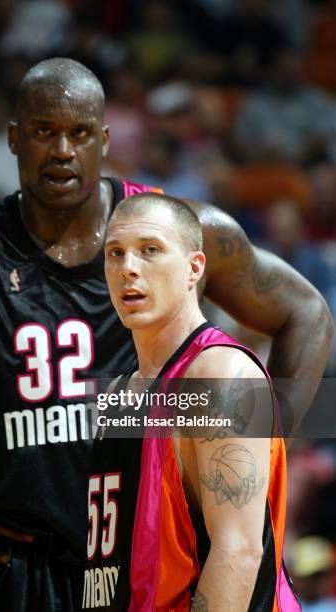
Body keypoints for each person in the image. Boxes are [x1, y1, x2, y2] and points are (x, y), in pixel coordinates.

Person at [0, 57, 331, 610]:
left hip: (162, 553)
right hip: (29, 563)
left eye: (80, 133)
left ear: (106, 139)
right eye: (44, 132)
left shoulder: (173, 230)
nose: (63, 150)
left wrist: (253, 445)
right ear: (14, 139)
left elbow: (307, 312)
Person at [83, 192, 300, 610]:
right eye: (115, 253)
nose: (128, 268)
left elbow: (238, 552)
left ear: (194, 267)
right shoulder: (117, 392)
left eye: (150, 251)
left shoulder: (220, 375)